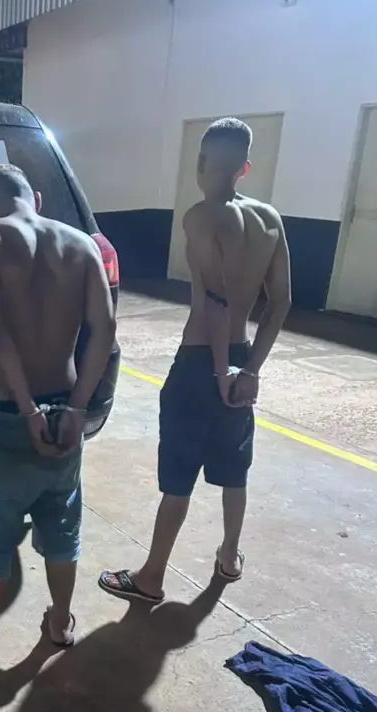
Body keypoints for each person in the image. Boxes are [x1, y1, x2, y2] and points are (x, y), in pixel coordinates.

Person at [0, 164, 116, 669]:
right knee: (61, 522)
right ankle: (59, 623)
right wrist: (77, 408)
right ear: (35, 197)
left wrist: (28, 409)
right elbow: (105, 329)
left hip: (6, 414)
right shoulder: (82, 245)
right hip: (66, 414)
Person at [100, 117, 291, 604]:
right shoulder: (269, 219)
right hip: (241, 356)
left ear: (202, 163)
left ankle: (151, 577)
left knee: (180, 475)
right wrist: (249, 370)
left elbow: (214, 299)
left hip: (200, 363)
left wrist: (221, 371)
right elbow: (281, 302)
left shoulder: (201, 216)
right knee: (234, 466)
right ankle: (228, 556)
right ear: (245, 167)